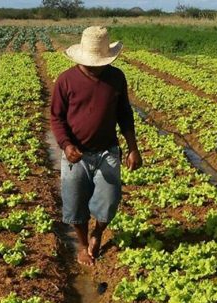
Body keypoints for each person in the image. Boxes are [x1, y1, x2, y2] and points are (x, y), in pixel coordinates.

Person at [51, 26, 143, 266]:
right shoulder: (66, 80)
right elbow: (56, 118)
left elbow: (124, 113)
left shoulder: (116, 78)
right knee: (75, 203)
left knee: (110, 199)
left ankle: (98, 232)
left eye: (100, 62)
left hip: (107, 151)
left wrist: (133, 147)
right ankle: (82, 245)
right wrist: (66, 144)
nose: (96, 66)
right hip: (76, 154)